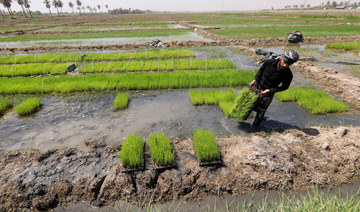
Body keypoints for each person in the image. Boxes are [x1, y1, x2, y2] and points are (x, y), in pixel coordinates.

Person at [249, 50, 299, 126]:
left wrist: (270, 90)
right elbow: (261, 71)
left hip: (268, 93)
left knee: (261, 112)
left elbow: (285, 87)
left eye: (289, 63)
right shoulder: (269, 62)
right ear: (282, 57)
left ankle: (255, 129)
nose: (285, 65)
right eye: (285, 62)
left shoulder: (288, 74)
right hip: (257, 87)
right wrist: (255, 79)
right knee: (249, 105)